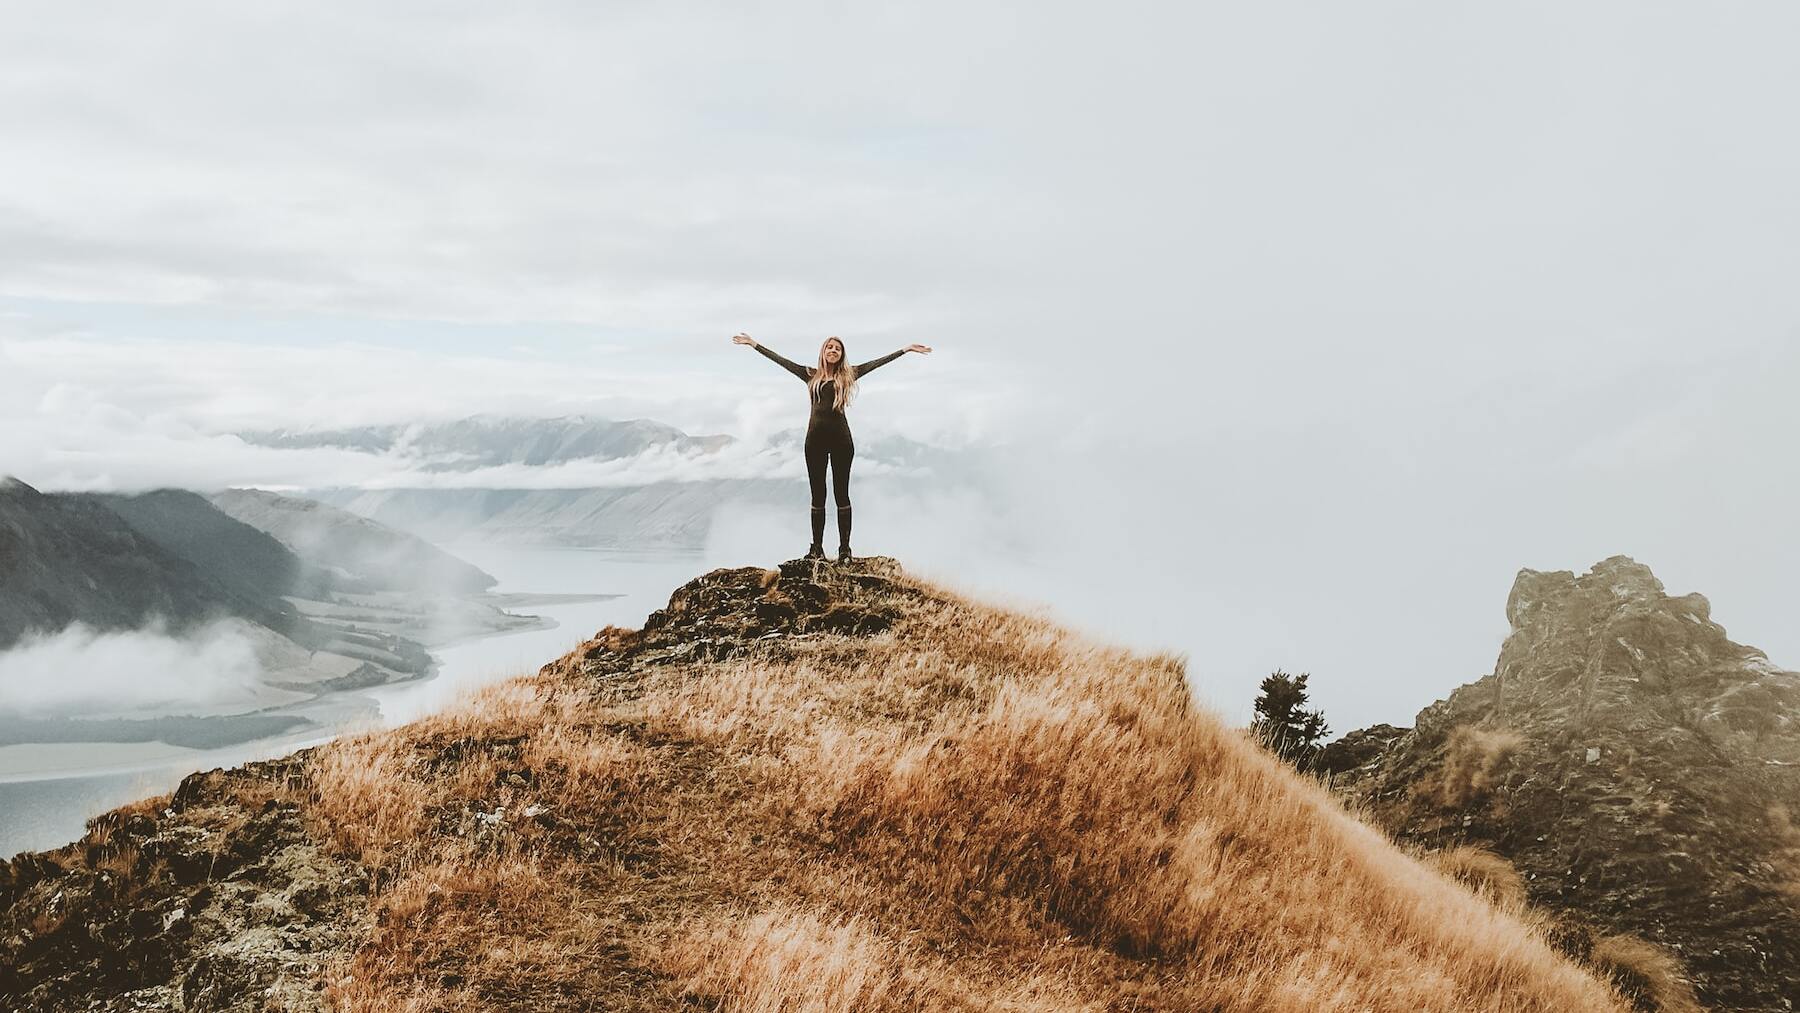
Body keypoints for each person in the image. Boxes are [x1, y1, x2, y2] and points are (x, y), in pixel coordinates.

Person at [732, 332, 932, 561]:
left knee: (841, 494)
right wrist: (754, 344)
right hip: (814, 442)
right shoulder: (810, 375)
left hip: (841, 442)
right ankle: (816, 548)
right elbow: (781, 360)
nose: (833, 350)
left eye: (837, 348)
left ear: (841, 354)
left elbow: (878, 363)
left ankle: (844, 550)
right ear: (823, 352)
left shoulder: (850, 375)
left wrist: (905, 349)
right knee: (818, 495)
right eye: (830, 347)